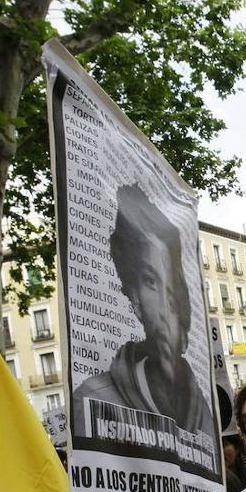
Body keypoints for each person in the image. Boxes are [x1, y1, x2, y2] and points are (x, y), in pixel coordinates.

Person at [72, 183, 216, 443]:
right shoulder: (94, 398)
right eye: (151, 281)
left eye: (172, 281)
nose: (165, 302)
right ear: (135, 297)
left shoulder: (202, 409)